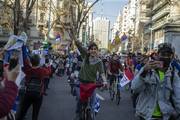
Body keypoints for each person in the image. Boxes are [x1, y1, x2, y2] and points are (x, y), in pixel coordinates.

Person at [131, 43, 180, 120]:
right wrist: (144, 71)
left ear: (172, 57)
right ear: (157, 55)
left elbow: (178, 97)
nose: (165, 57)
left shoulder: (173, 74)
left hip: (164, 116)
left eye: (168, 55)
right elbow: (135, 88)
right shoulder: (148, 69)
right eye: (163, 54)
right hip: (146, 115)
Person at [74, 40, 107, 118]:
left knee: (92, 106)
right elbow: (79, 45)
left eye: (95, 49)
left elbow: (102, 73)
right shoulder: (85, 56)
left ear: (97, 51)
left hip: (91, 85)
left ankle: (92, 116)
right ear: (89, 50)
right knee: (79, 99)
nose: (93, 50)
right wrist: (74, 38)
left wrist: (105, 81)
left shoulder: (99, 62)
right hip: (80, 82)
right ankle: (78, 114)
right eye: (91, 49)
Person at [16, 54, 51, 120]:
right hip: (38, 94)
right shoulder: (42, 70)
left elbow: (25, 59)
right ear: (39, 61)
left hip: (28, 92)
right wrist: (48, 65)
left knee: (22, 112)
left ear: (31, 61)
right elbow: (49, 72)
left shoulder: (28, 69)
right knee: (35, 114)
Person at [0, 50, 19, 118]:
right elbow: (3, 108)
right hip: (9, 93)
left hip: (6, 91)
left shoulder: (5, 67)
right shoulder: (17, 71)